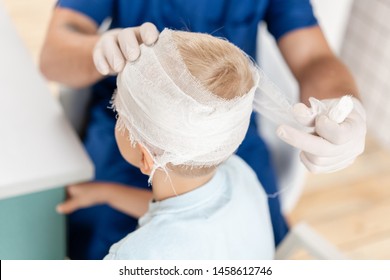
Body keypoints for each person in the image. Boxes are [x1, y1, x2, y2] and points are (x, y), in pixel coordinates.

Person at [40, 0, 366, 259]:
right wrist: (95, 49)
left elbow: (313, 55)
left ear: (144, 158)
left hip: (218, 135)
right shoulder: (240, 176)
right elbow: (53, 55)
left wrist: (341, 109)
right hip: (169, 146)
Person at [58, 29, 275, 259]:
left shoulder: (133, 257)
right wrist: (107, 193)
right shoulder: (241, 175)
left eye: (119, 111)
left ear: (145, 158)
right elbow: (185, 217)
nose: (116, 116)